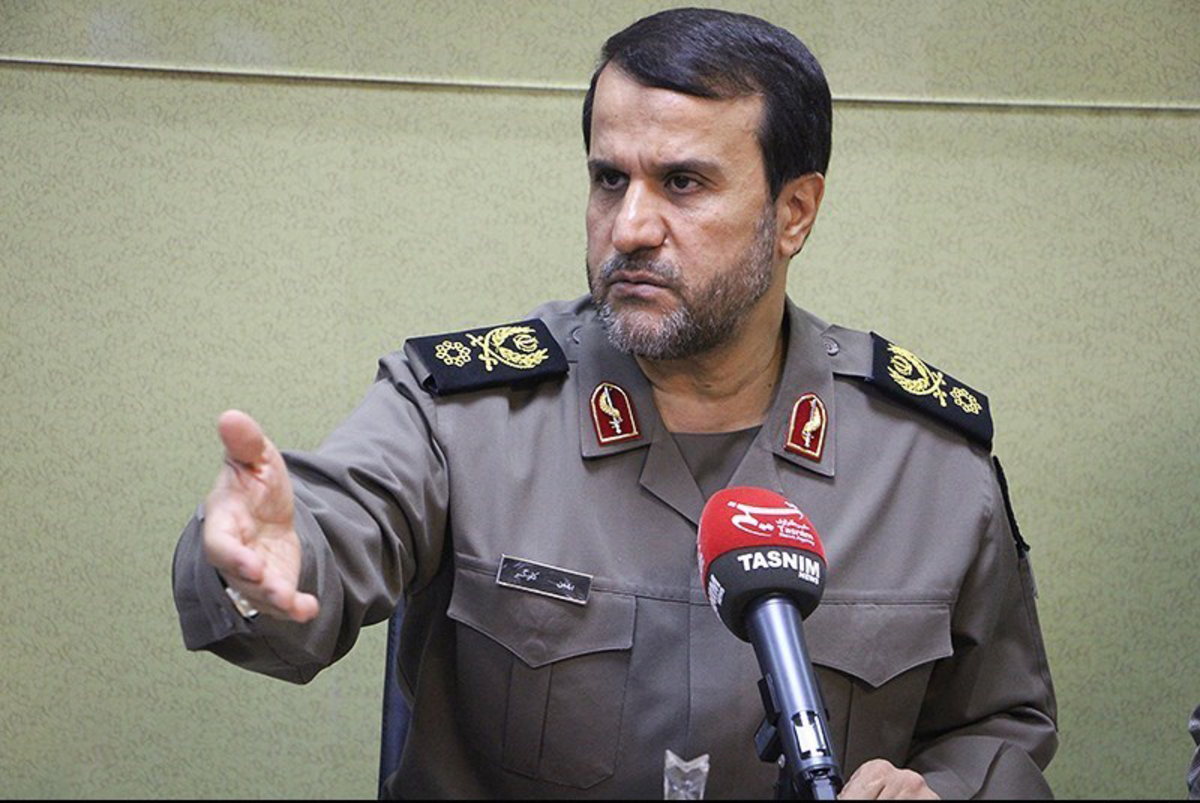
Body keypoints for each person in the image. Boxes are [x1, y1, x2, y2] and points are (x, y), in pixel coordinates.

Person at [172, 8, 1057, 799]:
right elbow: (335, 529)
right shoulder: (467, 415)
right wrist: (261, 562)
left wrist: (942, 791)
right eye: (608, 180)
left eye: (683, 183)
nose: (629, 227)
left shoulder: (929, 463)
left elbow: (1000, 727)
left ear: (794, 212)